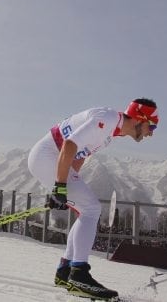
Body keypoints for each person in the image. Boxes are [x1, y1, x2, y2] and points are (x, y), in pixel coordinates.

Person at [27, 98, 158, 300]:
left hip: (51, 158)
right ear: (140, 118)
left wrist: (64, 187)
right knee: (91, 209)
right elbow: (69, 145)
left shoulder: (111, 131)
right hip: (48, 156)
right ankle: (78, 274)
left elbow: (78, 155)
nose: (152, 133)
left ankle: (66, 271)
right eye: (152, 125)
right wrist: (60, 185)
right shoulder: (106, 121)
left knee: (86, 209)